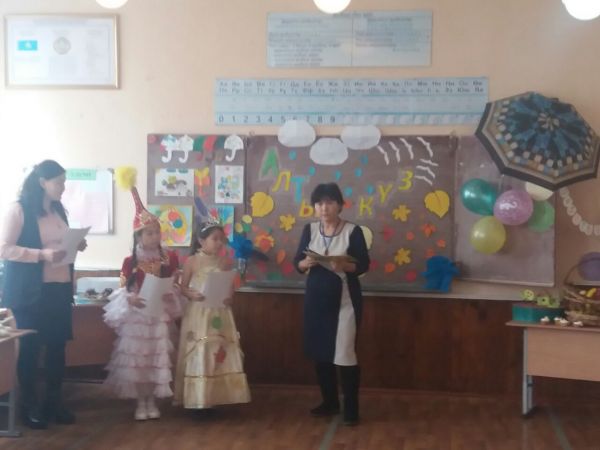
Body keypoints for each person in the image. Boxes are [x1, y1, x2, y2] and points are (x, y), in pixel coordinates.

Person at [0, 160, 87, 429]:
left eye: (64, 181)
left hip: (59, 289)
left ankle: (53, 403)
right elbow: (4, 248)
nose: (63, 187)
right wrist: (41, 255)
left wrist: (76, 244)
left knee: (57, 347)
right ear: (42, 182)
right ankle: (29, 406)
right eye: (58, 182)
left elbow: (61, 247)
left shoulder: (58, 210)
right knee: (30, 348)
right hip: (29, 292)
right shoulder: (19, 209)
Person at [103, 167, 181, 421]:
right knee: (139, 361)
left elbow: (173, 283)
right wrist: (132, 299)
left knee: (155, 360)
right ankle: (140, 402)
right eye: (149, 232)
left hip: (158, 316)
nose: (155, 236)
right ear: (139, 235)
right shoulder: (130, 261)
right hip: (138, 316)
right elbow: (123, 289)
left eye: (157, 231)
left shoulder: (167, 258)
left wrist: (170, 294)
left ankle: (152, 401)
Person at [293, 182, 370, 426]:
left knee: (345, 353)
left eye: (329, 202)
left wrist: (344, 265)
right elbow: (297, 262)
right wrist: (304, 264)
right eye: (319, 203)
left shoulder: (352, 231)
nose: (324, 208)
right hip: (316, 302)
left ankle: (351, 410)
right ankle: (330, 402)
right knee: (321, 353)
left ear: (339, 205)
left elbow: (363, 265)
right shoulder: (310, 229)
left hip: (345, 302)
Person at [173, 220, 250, 411]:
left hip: (219, 312)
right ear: (201, 241)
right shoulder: (192, 261)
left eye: (221, 239)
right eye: (215, 239)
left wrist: (229, 297)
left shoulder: (224, 262)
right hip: (199, 313)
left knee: (218, 349)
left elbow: (229, 286)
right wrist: (191, 294)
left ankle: (217, 396)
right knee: (200, 349)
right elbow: (183, 288)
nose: (219, 243)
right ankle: (197, 398)